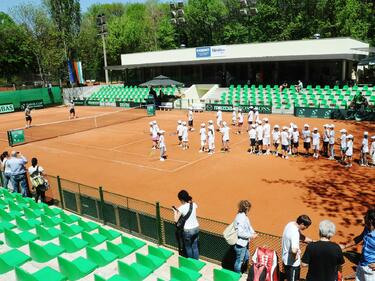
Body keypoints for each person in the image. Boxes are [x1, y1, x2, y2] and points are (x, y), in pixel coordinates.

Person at [340, 208, 375, 281]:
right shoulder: (367, 228)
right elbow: (359, 238)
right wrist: (345, 246)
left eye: (366, 217)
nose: (364, 218)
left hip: (371, 270)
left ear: (371, 221)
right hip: (361, 264)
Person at [282, 215, 312, 281]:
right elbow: (294, 250)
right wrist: (295, 257)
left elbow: (301, 237)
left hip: (285, 260)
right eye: (306, 226)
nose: (306, 228)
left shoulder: (290, 224)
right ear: (302, 224)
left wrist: (312, 241)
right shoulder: (295, 233)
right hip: (292, 265)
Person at [173, 190, 199, 260]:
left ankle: (191, 262)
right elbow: (193, 205)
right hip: (196, 228)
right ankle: (196, 262)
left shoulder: (181, 208)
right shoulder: (193, 204)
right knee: (195, 246)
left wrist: (175, 211)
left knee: (188, 247)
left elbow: (176, 220)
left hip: (188, 231)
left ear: (181, 199)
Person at [233, 200, 258, 273]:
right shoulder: (241, 218)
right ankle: (237, 274)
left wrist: (253, 232)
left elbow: (248, 226)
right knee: (239, 261)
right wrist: (251, 236)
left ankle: (241, 270)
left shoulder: (244, 216)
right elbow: (240, 233)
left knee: (246, 257)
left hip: (245, 243)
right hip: (240, 244)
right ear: (246, 209)